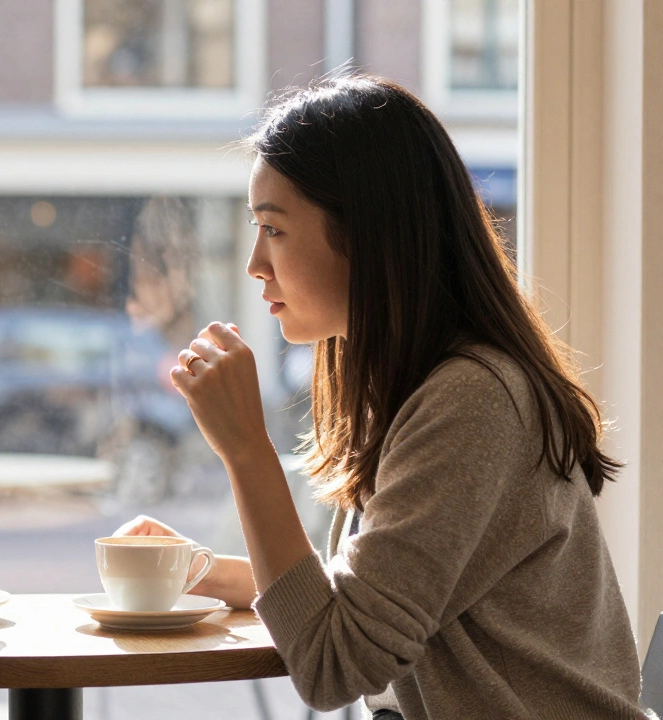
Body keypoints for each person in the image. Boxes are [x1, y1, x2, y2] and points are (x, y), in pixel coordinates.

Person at [119, 73, 648, 719]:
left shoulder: (474, 402)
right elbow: (356, 600)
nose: (256, 263)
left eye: (275, 229)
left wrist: (246, 449)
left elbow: (335, 664)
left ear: (367, 234)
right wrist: (196, 568)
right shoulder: (419, 389)